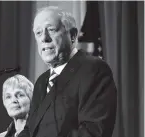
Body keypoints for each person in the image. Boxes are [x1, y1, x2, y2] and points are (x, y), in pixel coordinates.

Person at [18, 6, 117, 137]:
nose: (44, 38)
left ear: (73, 35)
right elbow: (30, 130)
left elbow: (93, 132)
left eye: (51, 30)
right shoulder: (42, 82)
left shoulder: (94, 70)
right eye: (38, 33)